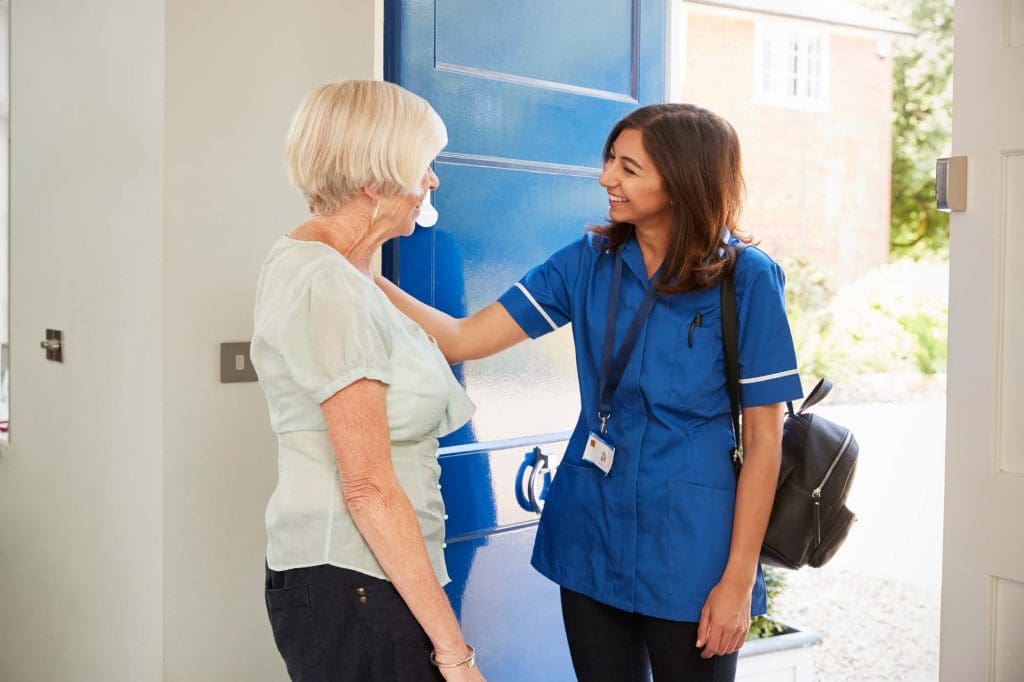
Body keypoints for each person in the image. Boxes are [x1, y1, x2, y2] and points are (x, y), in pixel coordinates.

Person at [376, 103, 802, 682]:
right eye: (610, 162)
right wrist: (357, 267)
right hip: (591, 537)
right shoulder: (586, 263)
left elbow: (764, 441)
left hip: (692, 555)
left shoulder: (746, 278)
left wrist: (738, 578)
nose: (607, 179)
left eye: (629, 168)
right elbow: (460, 339)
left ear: (682, 180)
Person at [251, 80, 486, 682]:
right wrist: (455, 655)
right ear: (374, 179)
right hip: (358, 579)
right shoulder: (330, 286)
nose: (432, 182)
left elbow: (457, 336)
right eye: (424, 165)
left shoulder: (340, 272)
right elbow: (368, 490)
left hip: (359, 576)